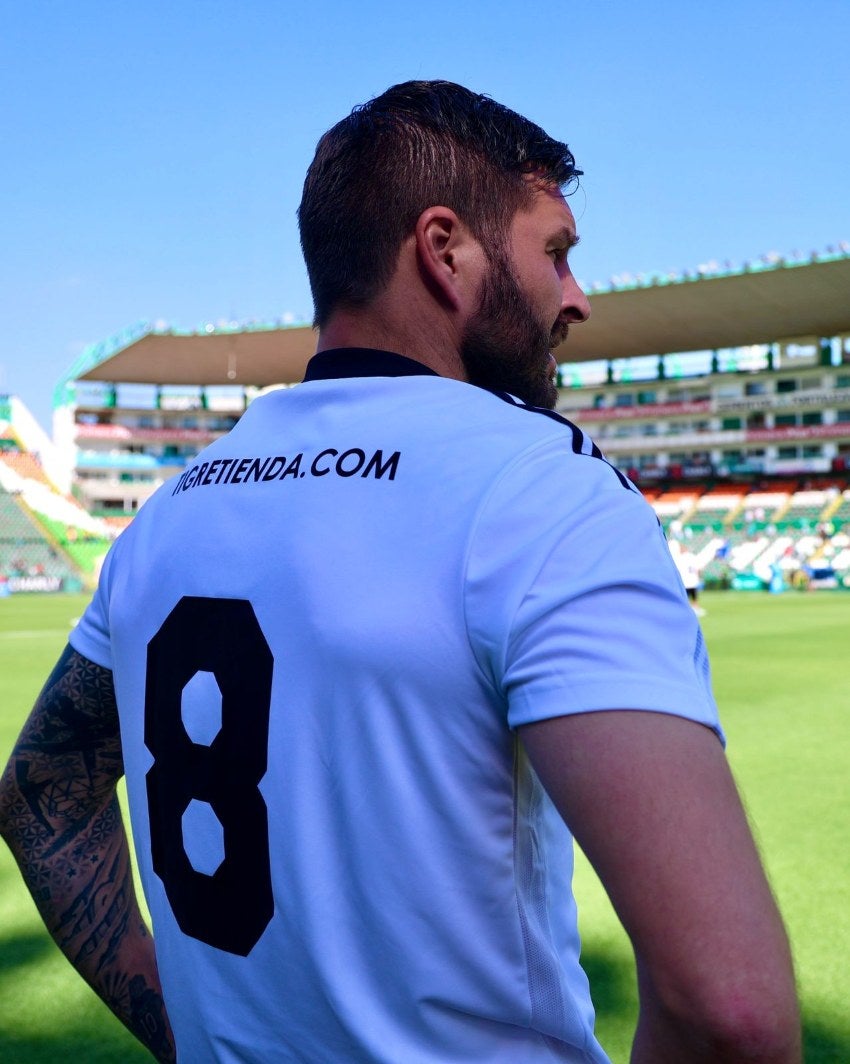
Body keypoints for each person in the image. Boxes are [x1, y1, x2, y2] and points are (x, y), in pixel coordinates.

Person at [0, 81, 800, 1063]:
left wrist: (186, 1033)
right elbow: (733, 1011)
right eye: (556, 250)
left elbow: (44, 793)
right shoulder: (538, 488)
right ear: (444, 248)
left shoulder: (168, 514)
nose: (577, 296)